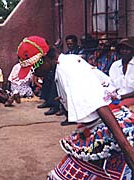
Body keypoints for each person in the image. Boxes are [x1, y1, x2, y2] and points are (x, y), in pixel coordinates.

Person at [16, 36, 134, 179]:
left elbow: (100, 105)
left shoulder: (68, 69)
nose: (33, 73)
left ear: (44, 59)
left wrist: (126, 148)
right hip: (94, 127)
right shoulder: (64, 63)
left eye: (33, 68)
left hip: (108, 126)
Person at [109, 37, 134, 107]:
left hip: (130, 98)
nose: (124, 51)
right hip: (116, 98)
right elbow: (111, 84)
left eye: (127, 49)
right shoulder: (115, 66)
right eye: (122, 49)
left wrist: (123, 97)